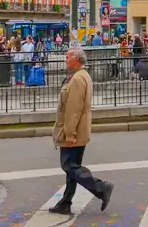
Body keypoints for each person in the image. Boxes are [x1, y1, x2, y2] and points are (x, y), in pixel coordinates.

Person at [48, 47, 113, 215]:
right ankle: (65, 203)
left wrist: (69, 133)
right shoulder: (81, 75)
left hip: (74, 131)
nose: (65, 59)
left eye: (68, 56)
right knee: (73, 168)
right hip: (80, 129)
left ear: (76, 60)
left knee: (69, 166)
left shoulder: (77, 79)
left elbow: (73, 109)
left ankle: (101, 187)